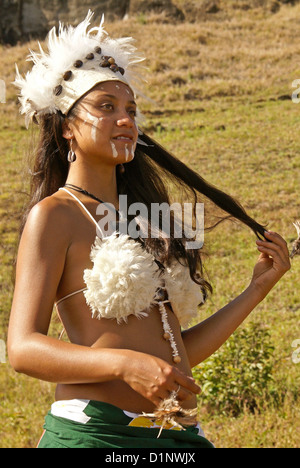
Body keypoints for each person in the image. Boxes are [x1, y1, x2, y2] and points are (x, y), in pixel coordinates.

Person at [8, 11, 291, 449]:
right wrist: (123, 365)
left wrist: (257, 290)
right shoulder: (55, 215)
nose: (126, 120)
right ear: (67, 126)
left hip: (179, 435)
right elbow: (23, 349)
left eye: (131, 111)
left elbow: (175, 356)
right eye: (106, 107)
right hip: (97, 435)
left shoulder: (146, 219)